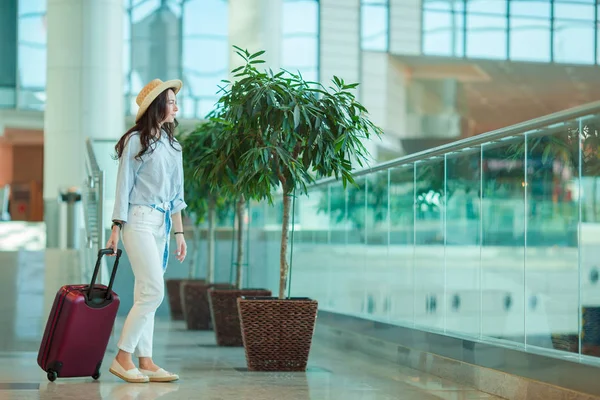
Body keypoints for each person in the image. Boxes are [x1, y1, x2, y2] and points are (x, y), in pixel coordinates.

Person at [106, 78, 187, 383]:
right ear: (157, 106)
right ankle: (122, 356)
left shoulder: (173, 145)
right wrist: (116, 229)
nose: (176, 106)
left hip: (162, 225)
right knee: (153, 290)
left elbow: (177, 197)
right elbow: (123, 187)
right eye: (170, 100)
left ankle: (146, 360)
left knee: (145, 292)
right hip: (137, 221)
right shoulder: (136, 141)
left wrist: (179, 235)